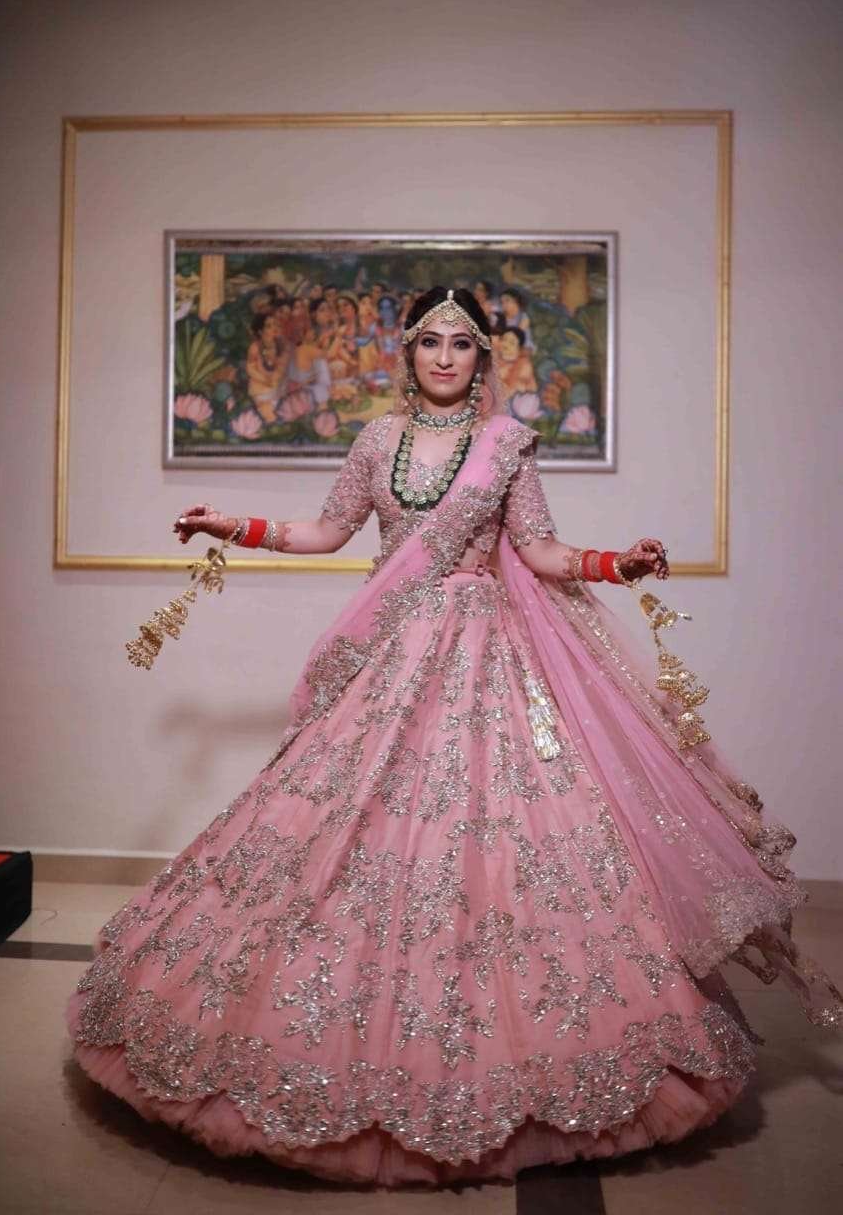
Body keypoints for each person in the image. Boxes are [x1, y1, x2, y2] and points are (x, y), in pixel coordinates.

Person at [66, 287, 842, 1187]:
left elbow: (541, 551)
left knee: (507, 836)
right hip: (388, 655)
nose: (443, 356)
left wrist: (614, 563)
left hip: (484, 658)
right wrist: (230, 526)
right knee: (347, 829)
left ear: (481, 357)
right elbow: (326, 532)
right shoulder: (375, 441)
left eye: (461, 342)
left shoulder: (504, 445)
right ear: (407, 353)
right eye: (429, 341)